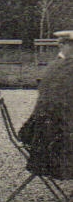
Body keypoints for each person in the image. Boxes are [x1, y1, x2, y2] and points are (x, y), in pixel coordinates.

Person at [18, 31, 73, 180]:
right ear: (64, 46)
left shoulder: (56, 65)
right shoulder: (68, 67)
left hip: (38, 130)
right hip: (54, 135)